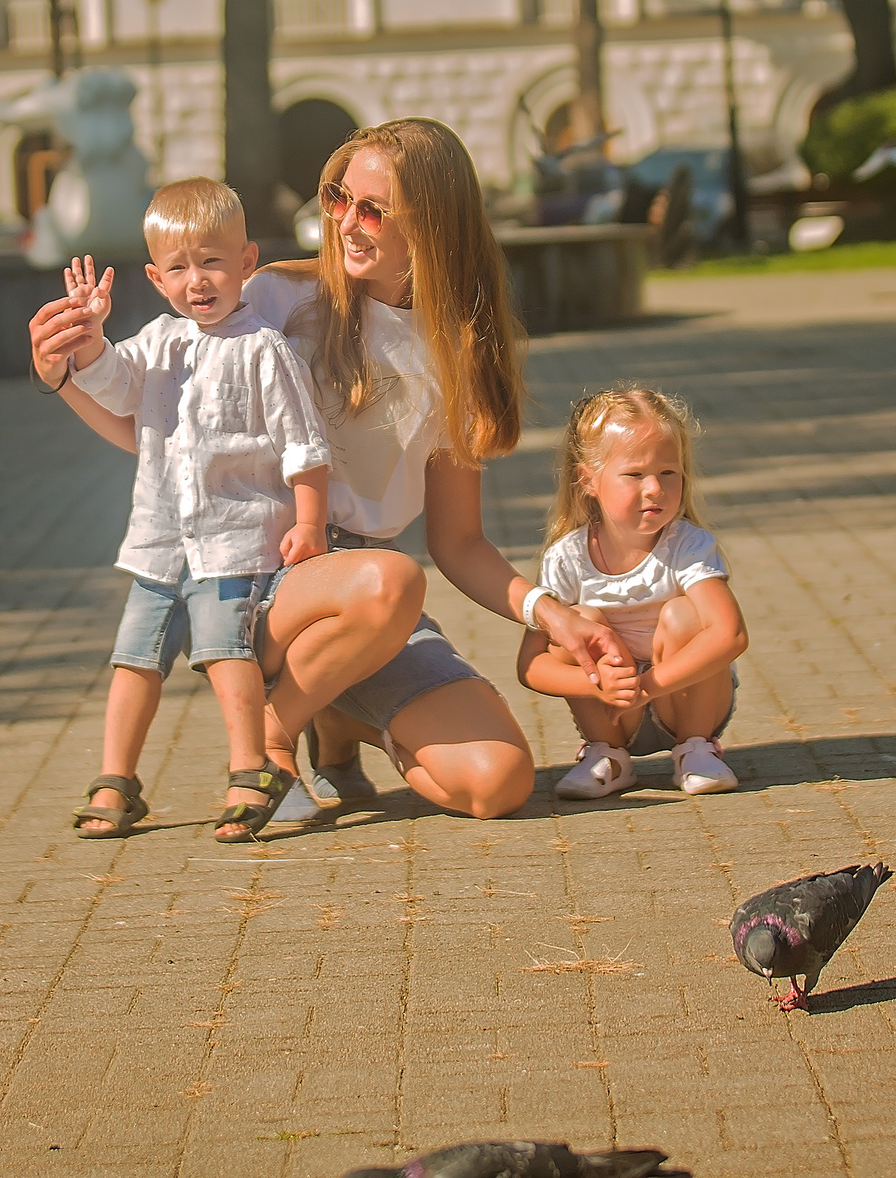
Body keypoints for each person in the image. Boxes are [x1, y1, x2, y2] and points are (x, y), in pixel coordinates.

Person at [35, 118, 631, 823]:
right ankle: (269, 738)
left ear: (433, 223)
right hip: (261, 577)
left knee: (497, 782)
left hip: (365, 604)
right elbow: (169, 437)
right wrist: (64, 376)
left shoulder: (460, 351)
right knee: (391, 580)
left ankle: (338, 715)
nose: (346, 222)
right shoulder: (275, 298)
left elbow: (460, 542)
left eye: (373, 209)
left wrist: (552, 612)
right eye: (338, 197)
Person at [33, 178, 332, 844]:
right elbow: (115, 386)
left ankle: (250, 769)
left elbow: (304, 444)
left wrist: (309, 520)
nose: (196, 280)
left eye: (212, 261)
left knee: (226, 653)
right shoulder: (158, 340)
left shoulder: (264, 348)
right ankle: (116, 779)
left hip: (233, 543)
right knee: (133, 658)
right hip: (159, 542)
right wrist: (89, 339)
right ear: (156, 277)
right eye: (178, 267)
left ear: (247, 262)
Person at [521, 386, 749, 798]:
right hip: (613, 712)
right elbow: (531, 665)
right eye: (635, 474)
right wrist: (599, 684)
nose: (655, 489)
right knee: (580, 621)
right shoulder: (566, 557)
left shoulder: (687, 544)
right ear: (589, 480)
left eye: (668, 473)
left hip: (685, 701)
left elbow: (730, 634)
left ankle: (695, 750)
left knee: (683, 615)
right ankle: (607, 755)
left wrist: (646, 688)